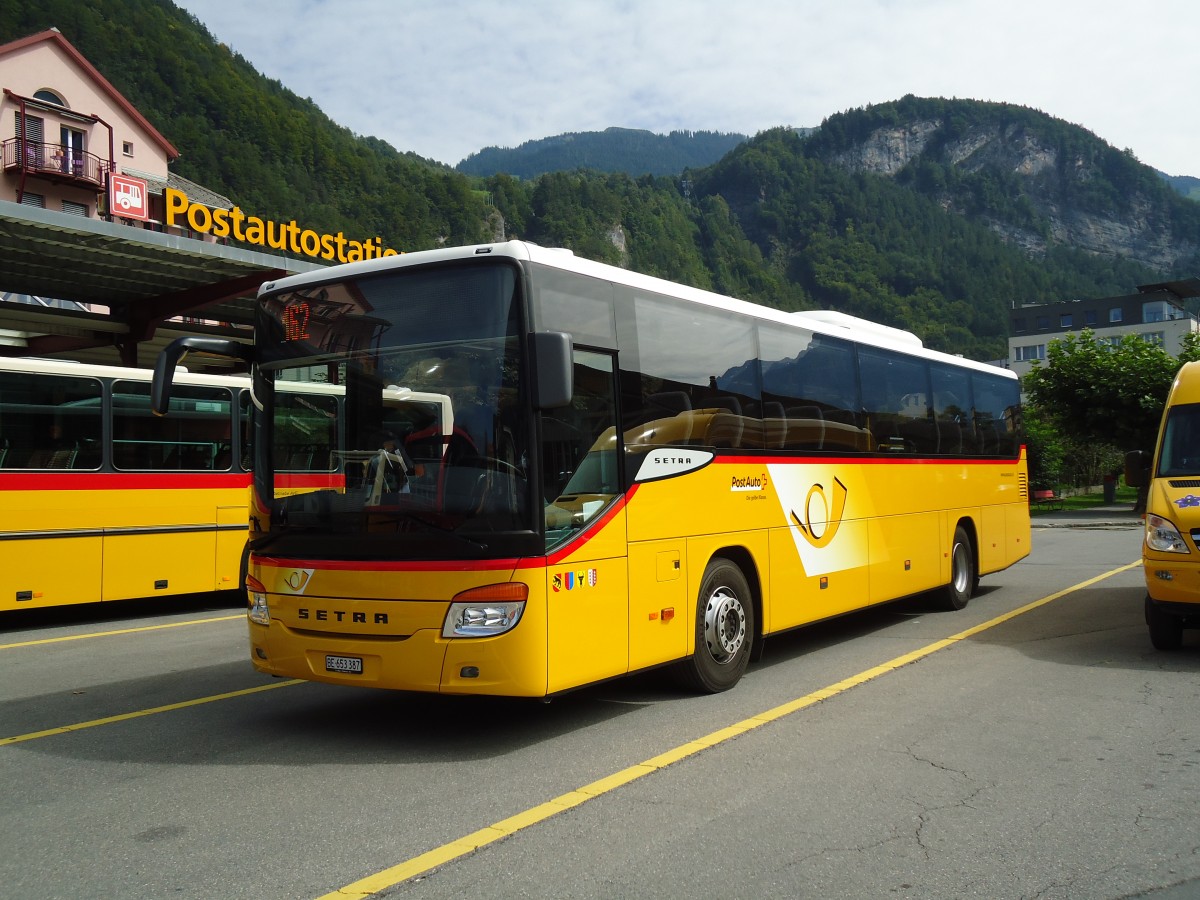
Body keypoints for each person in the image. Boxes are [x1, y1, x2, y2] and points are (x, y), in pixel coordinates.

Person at [365, 431, 421, 504]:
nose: (389, 452)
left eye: (393, 447)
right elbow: (369, 488)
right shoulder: (375, 462)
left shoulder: (404, 464)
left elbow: (410, 470)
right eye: (387, 448)